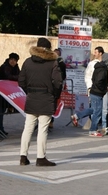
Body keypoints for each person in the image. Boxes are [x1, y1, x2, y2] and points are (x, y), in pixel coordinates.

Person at [18, 37, 63, 166]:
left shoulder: (27, 62)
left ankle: (23, 156)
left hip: (32, 97)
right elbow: (58, 82)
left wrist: (29, 91)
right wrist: (54, 95)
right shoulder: (53, 63)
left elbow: (21, 81)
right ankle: (41, 157)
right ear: (48, 49)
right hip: (46, 98)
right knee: (43, 129)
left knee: (28, 128)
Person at [70, 50, 108, 137]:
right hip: (97, 91)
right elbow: (97, 80)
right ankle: (93, 130)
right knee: (97, 112)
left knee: (94, 109)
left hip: (96, 91)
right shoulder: (101, 68)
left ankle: (77, 116)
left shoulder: (99, 67)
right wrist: (101, 89)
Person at [0, 52, 20, 135]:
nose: (13, 62)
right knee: (0, 112)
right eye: (11, 59)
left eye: (15, 60)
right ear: (9, 59)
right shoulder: (5, 67)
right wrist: (18, 77)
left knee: (1, 112)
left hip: (7, 94)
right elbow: (9, 77)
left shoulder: (16, 68)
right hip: (0, 94)